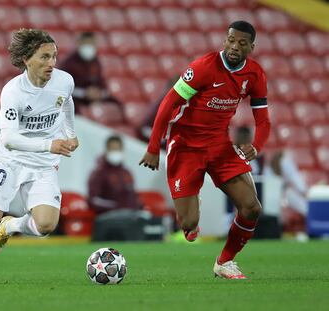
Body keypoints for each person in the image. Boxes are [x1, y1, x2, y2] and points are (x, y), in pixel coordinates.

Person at [139, 21, 270, 279]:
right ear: (225, 40)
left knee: (252, 208)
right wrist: (154, 147)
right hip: (186, 145)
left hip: (220, 145)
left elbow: (263, 120)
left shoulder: (254, 75)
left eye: (242, 43)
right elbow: (168, 104)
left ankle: (225, 261)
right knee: (188, 226)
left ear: (251, 47)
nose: (235, 47)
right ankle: (191, 205)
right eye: (231, 41)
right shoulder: (202, 68)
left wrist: (256, 145)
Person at [0, 29, 79, 285]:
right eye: (44, 57)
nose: (51, 63)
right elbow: (9, 139)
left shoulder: (64, 81)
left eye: (54, 57)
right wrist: (49, 145)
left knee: (46, 226)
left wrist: (71, 133)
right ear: (27, 59)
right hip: (10, 161)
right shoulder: (13, 92)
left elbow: (67, 102)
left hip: (43, 165)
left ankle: (11, 227)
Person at [60, 32, 121, 114]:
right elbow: (64, 88)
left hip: (94, 98)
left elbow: (102, 84)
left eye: (91, 44)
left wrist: (100, 93)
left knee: (116, 103)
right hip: (77, 98)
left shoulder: (96, 62)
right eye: (86, 43)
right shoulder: (69, 63)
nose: (89, 47)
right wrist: (84, 93)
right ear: (79, 44)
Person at [88, 135, 142, 215]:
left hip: (129, 215)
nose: (116, 151)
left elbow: (133, 196)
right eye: (113, 149)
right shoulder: (99, 173)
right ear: (107, 150)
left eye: (118, 149)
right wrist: (116, 206)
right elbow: (93, 200)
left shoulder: (127, 173)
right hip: (107, 216)